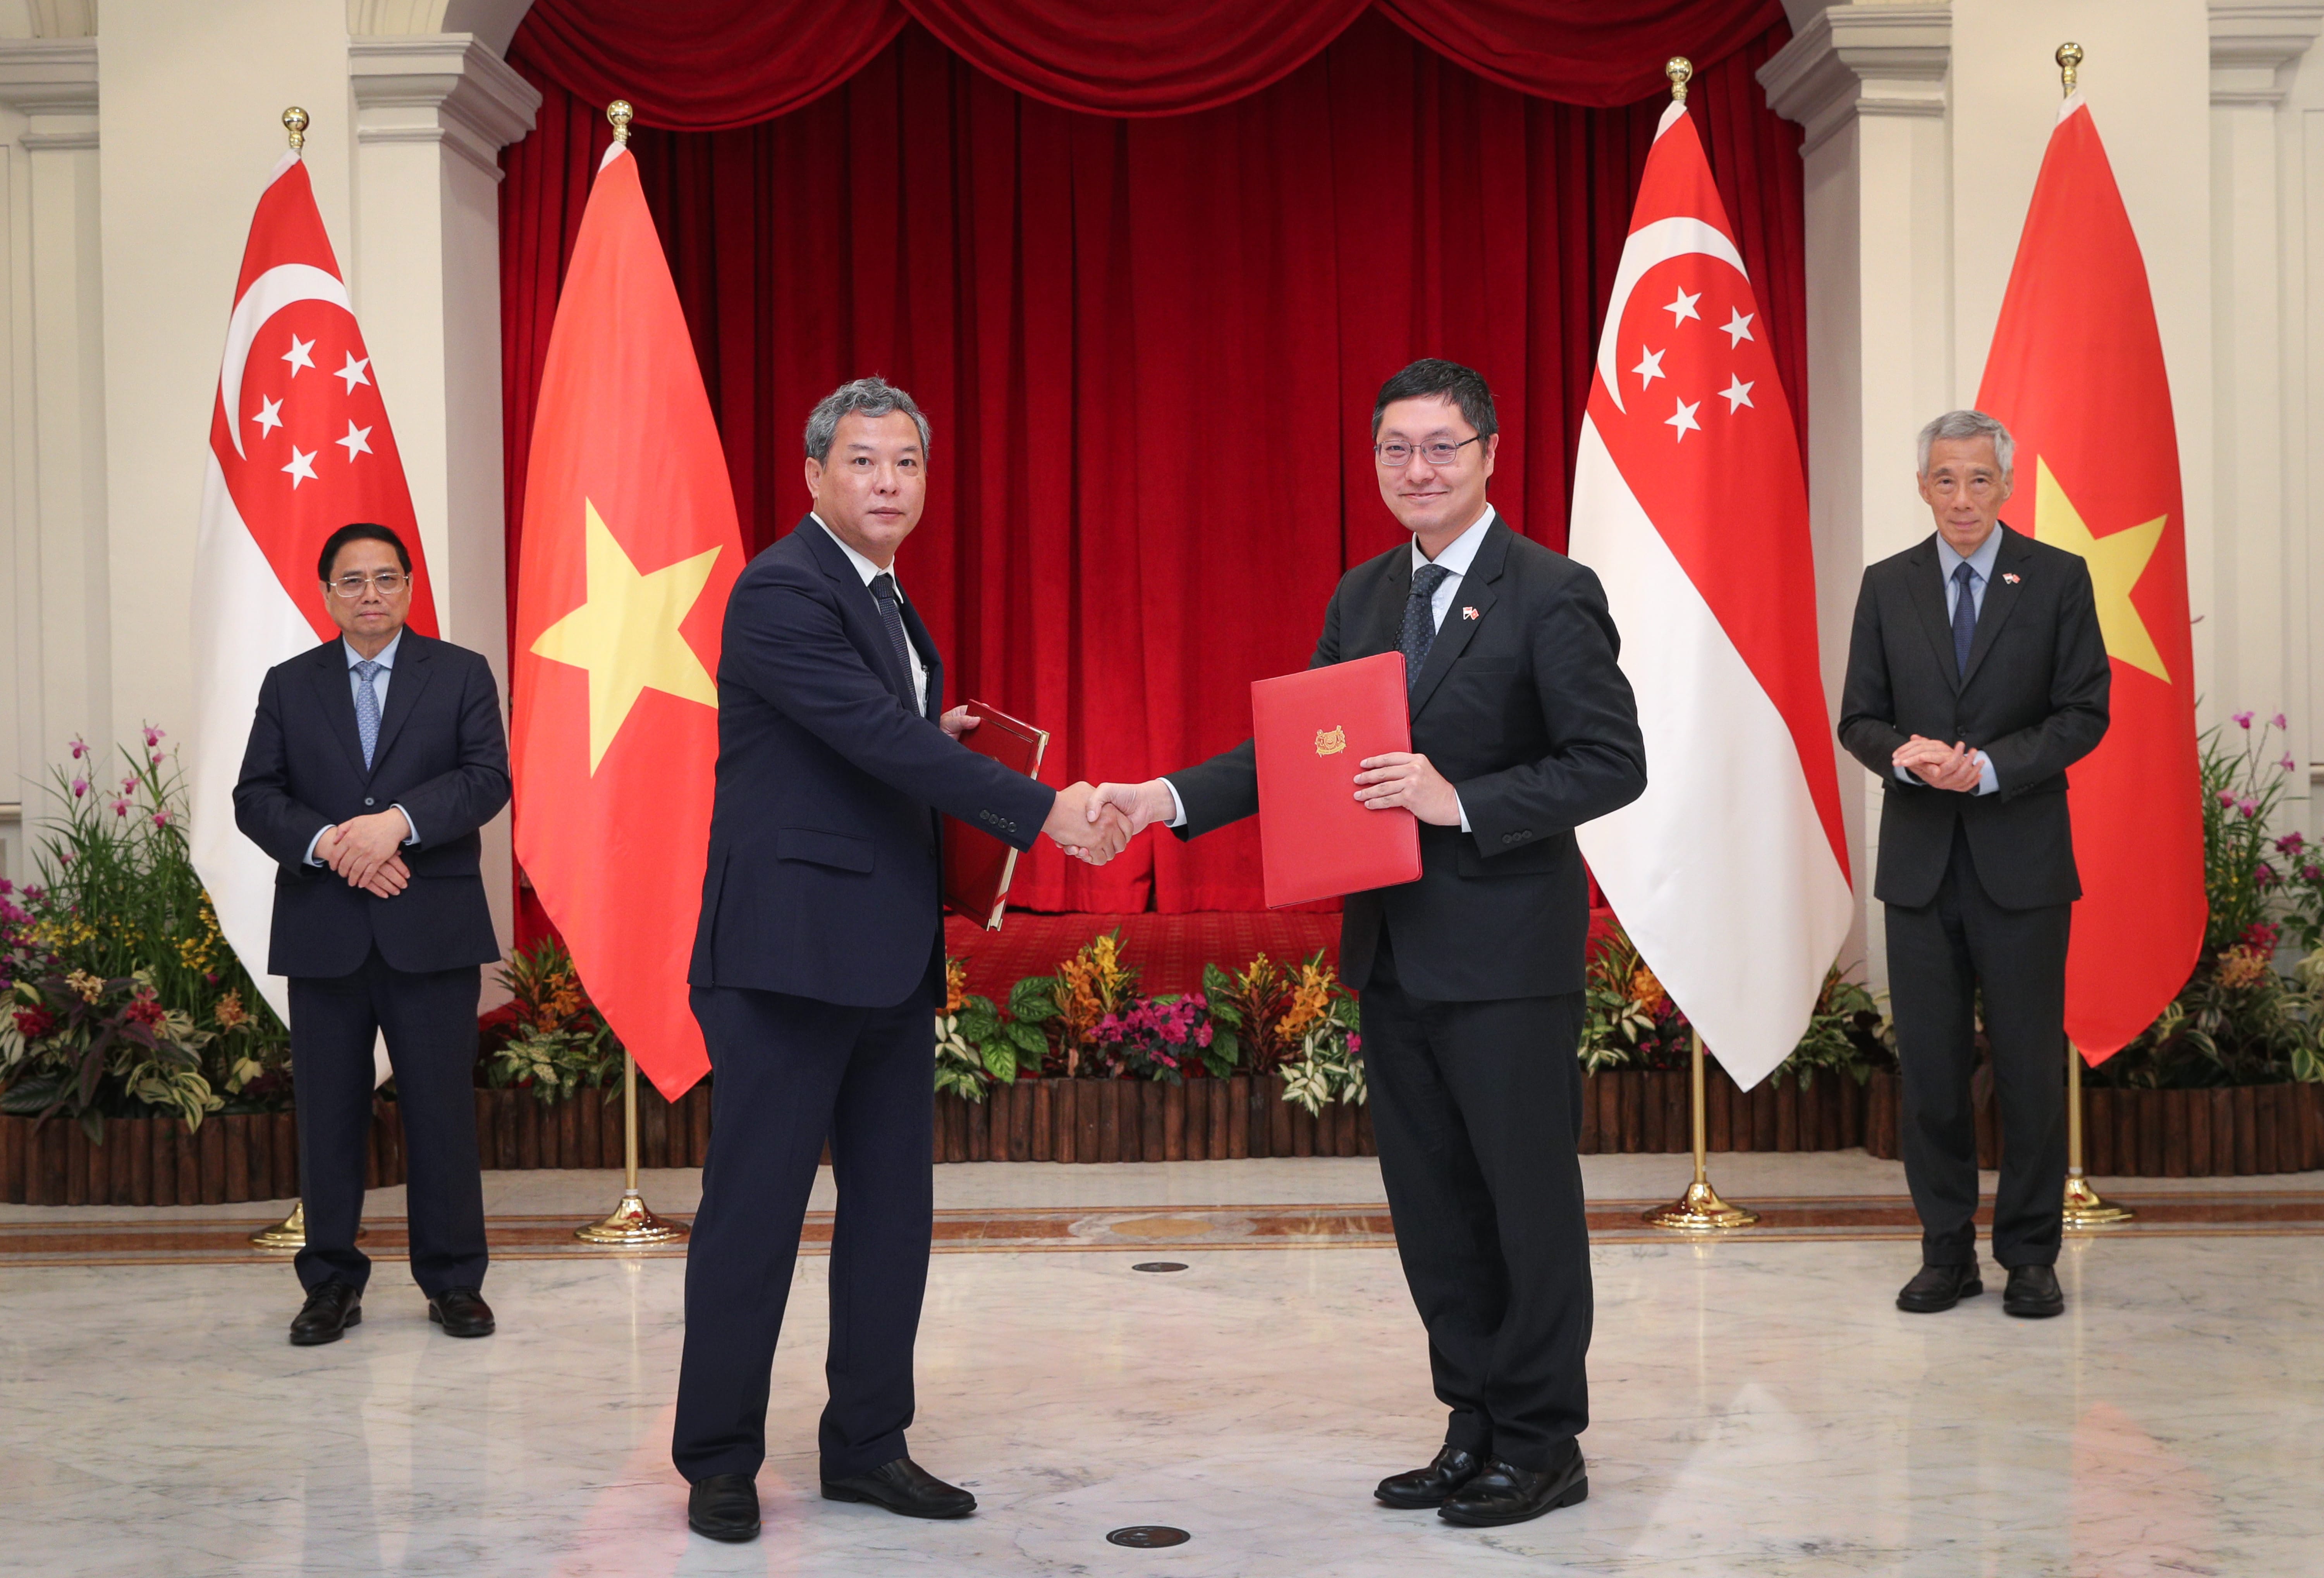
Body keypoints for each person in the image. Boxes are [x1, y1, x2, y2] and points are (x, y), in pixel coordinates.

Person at [1086, 359, 1645, 1528]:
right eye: (1396, 448)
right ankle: (1473, 1423)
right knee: (1437, 1210)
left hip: (1504, 964)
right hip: (1393, 955)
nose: (1418, 469)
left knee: (1524, 1206)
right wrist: (1164, 797)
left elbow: (1612, 761)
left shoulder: (1551, 590)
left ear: (1489, 453)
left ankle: (1544, 1444)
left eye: (1442, 446)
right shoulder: (1363, 596)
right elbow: (1301, 756)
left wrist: (1464, 800)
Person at [674, 377, 1129, 1544]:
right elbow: (864, 735)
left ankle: (868, 1445)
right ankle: (720, 1459)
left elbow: (877, 741)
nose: (888, 484)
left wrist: (941, 740)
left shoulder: (882, 593)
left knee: (893, 1215)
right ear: (816, 474)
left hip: (882, 952)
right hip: (784, 958)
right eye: (865, 463)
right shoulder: (781, 587)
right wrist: (1041, 808)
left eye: (907, 466)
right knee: (756, 1216)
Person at [1837, 409, 2110, 1320]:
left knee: (2031, 1071)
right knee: (1933, 1074)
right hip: (1919, 867)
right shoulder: (1886, 585)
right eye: (1945, 480)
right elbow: (1859, 718)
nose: (1962, 497)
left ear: (2006, 485)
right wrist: (1907, 755)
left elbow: (2083, 712)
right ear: (1923, 487)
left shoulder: (2060, 580)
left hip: (2022, 863)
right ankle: (1945, 1252)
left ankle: (2031, 1256)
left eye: (1979, 480)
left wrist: (1990, 768)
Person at [232, 522, 511, 1346]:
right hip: (327, 930)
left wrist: (396, 824)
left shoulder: (460, 674)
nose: (370, 595)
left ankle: (455, 1282)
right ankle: (329, 1284)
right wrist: (337, 847)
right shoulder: (290, 684)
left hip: (432, 929)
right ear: (327, 595)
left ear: (409, 589)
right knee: (327, 1115)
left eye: (386, 579)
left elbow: (485, 779)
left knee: (441, 1113)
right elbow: (257, 796)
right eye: (351, 582)